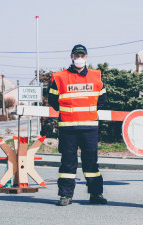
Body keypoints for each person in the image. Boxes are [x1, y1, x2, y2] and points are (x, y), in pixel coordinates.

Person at [48, 44, 107, 206]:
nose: (79, 58)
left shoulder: (96, 76)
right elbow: (53, 100)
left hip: (89, 128)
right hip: (68, 128)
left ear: (86, 57)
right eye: (76, 55)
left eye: (82, 55)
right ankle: (65, 195)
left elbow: (102, 100)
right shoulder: (59, 77)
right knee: (68, 162)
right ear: (71, 57)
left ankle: (96, 194)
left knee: (91, 163)